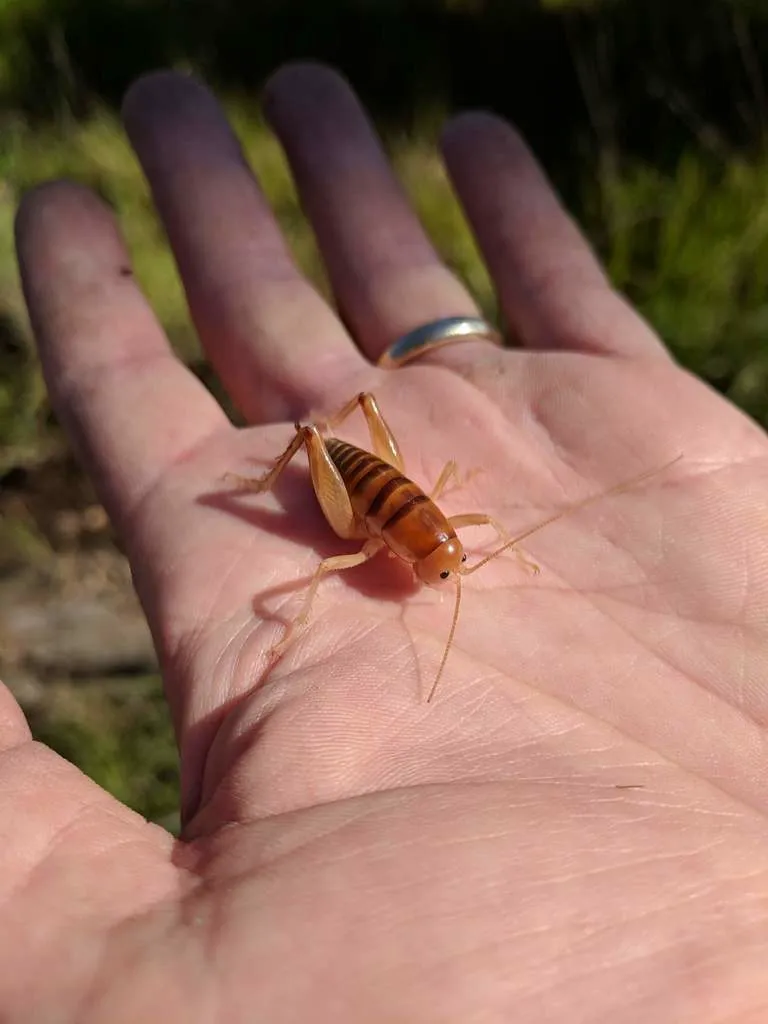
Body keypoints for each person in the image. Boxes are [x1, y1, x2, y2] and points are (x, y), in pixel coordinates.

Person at [6, 62, 768, 1022]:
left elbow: (476, 531)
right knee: (332, 510)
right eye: (442, 561)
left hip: (391, 489)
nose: (446, 570)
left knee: (430, 495)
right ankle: (252, 479)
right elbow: (353, 553)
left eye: (446, 560)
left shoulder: (451, 533)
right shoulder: (381, 549)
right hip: (347, 494)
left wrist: (494, 550)